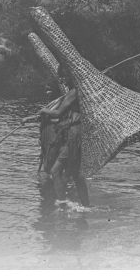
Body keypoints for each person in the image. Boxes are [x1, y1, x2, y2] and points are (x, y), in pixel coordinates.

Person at [36, 64, 90, 206]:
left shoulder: (73, 93)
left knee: (60, 171)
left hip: (75, 135)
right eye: (62, 78)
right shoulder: (76, 92)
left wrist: (44, 111)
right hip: (74, 133)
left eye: (64, 77)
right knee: (74, 173)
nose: (63, 81)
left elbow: (58, 113)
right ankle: (83, 205)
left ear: (71, 77)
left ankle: (63, 203)